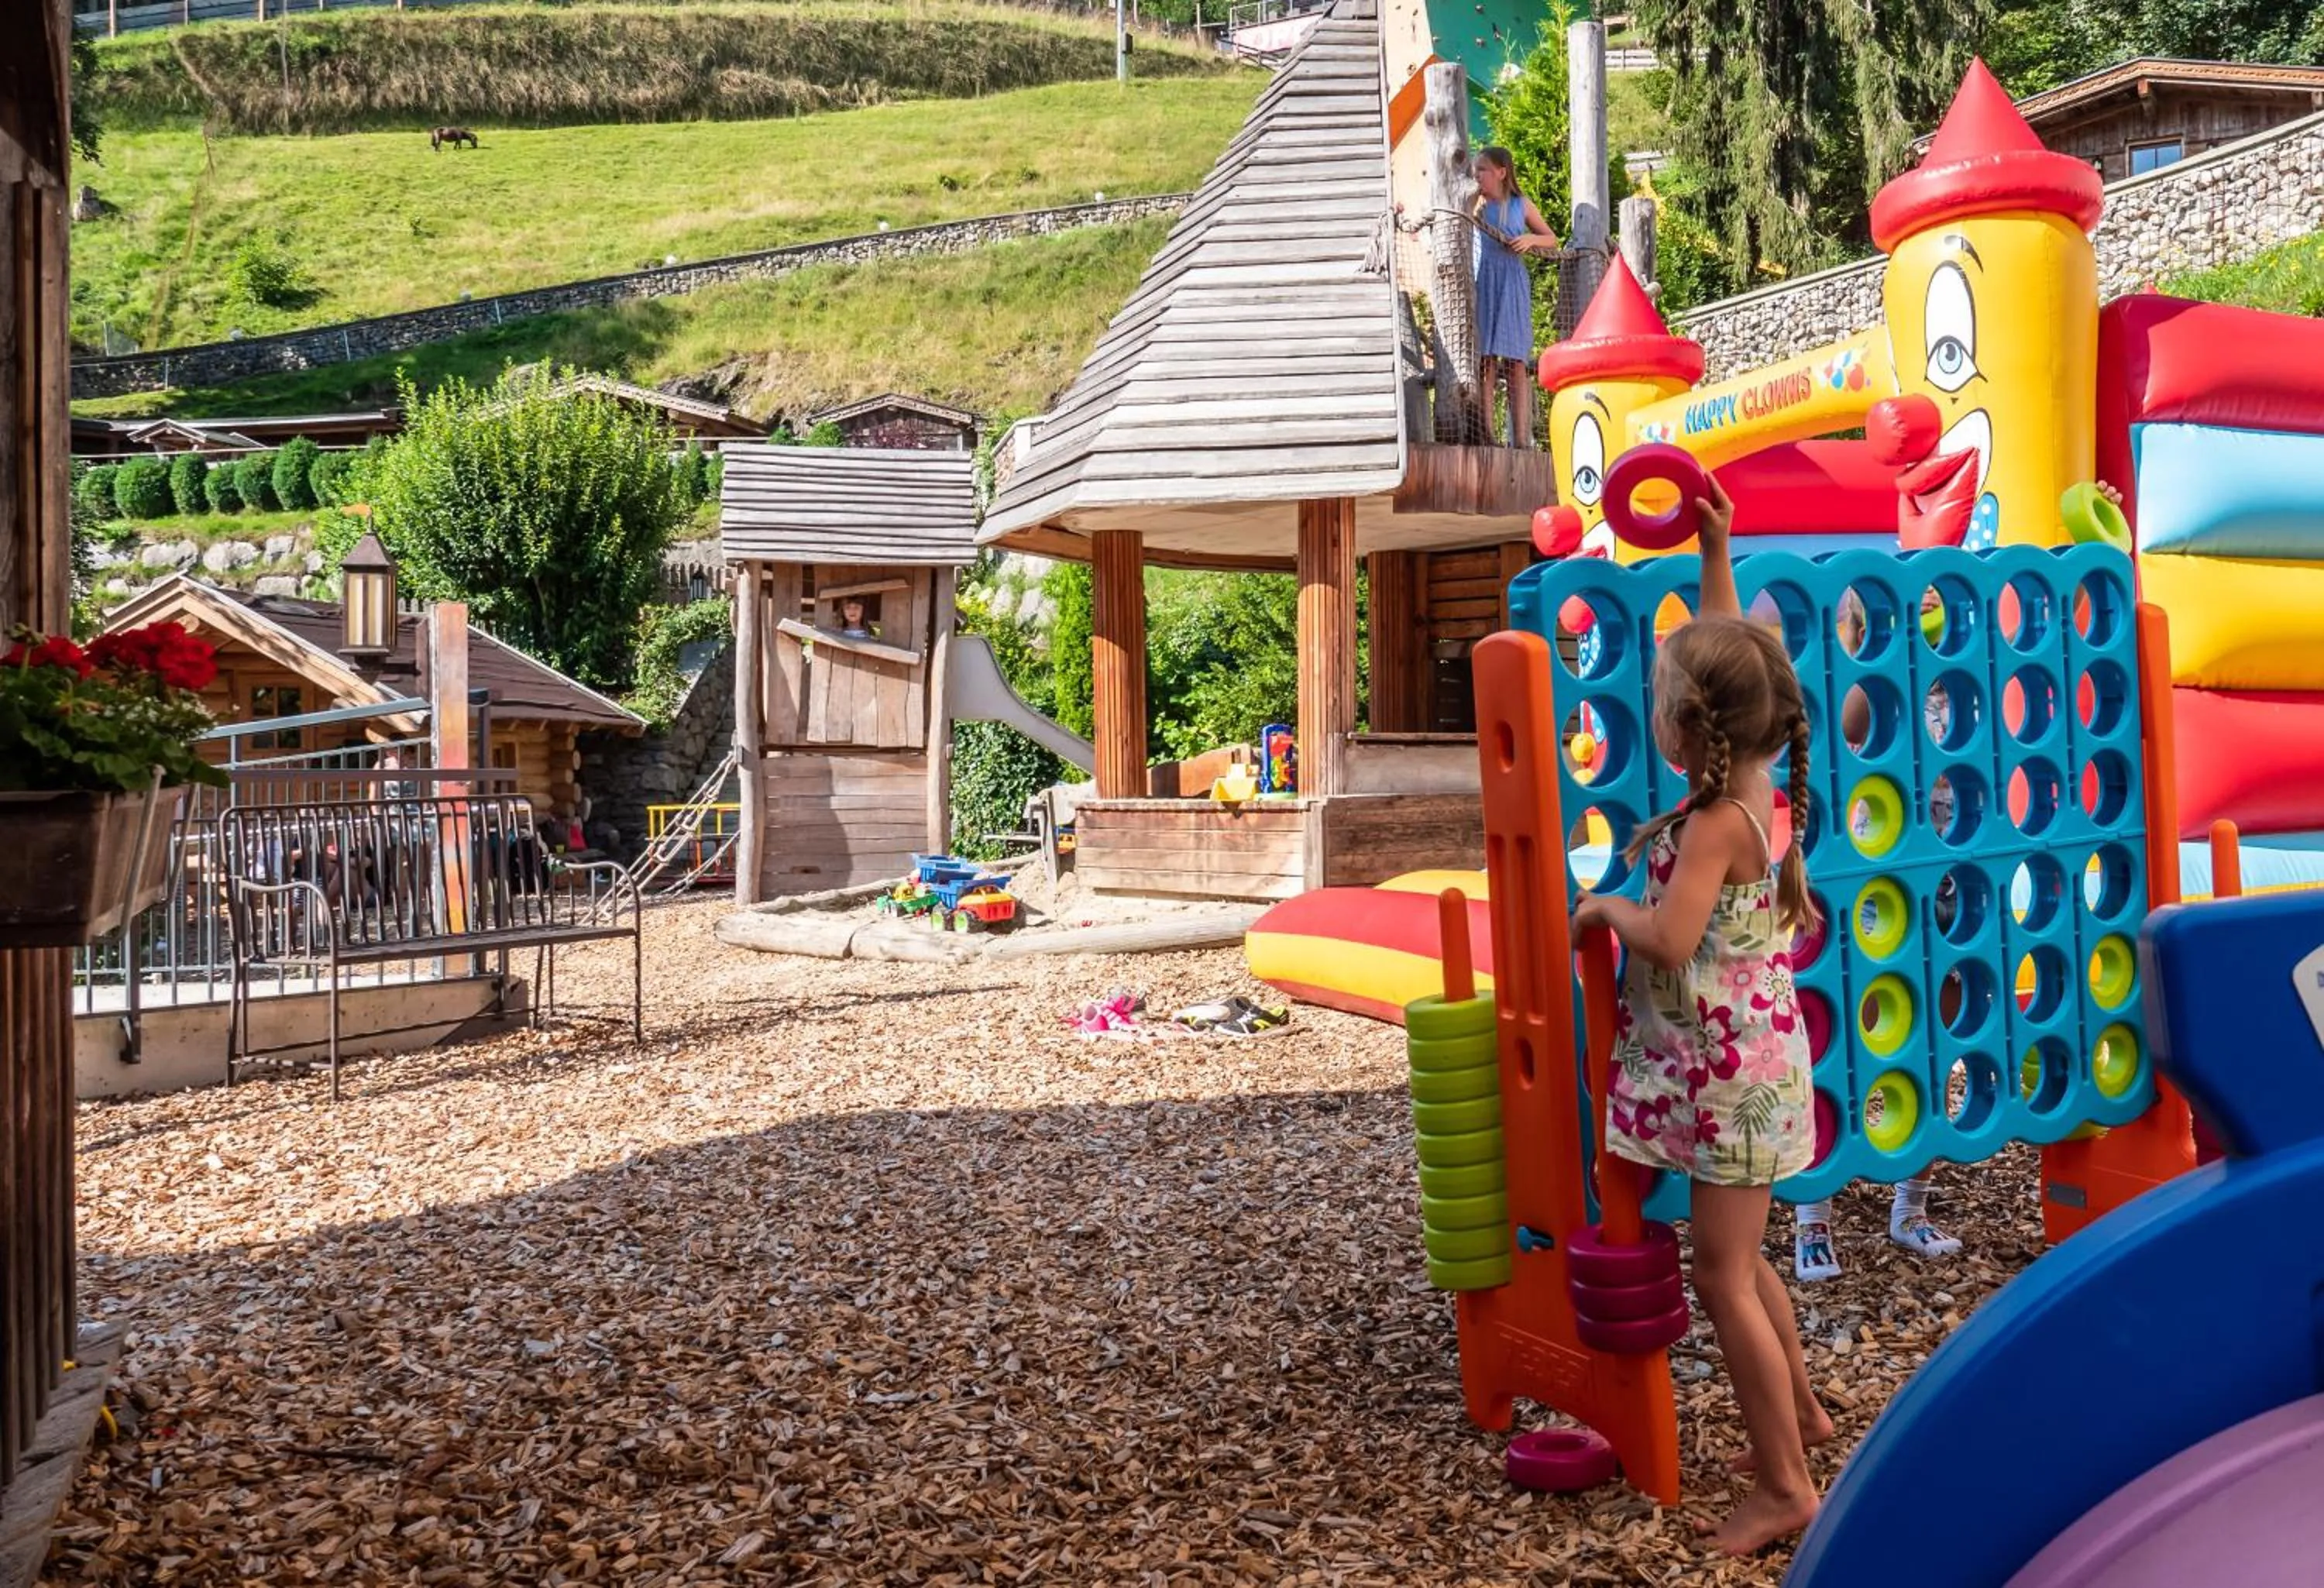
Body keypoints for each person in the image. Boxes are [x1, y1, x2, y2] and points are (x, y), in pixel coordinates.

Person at [1573, 476, 1826, 1555]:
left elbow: (1671, 939)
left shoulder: (1720, 820)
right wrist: (1714, 545)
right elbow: (1732, 658)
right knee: (1747, 1252)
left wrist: (1603, 907)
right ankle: (1805, 1417)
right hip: (1759, 1069)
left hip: (1729, 1083)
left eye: (1666, 690)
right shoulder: (1758, 775)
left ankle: (1787, 1485)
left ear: (1686, 729)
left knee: (1722, 1272)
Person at [1800, 590, 1965, 1280]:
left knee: (1936, 1045)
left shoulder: (1959, 683)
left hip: (1952, 883)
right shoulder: (1875, 681)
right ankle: (1813, 1219)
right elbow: (1846, 729)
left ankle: (1911, 1208)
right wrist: (1877, 637)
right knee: (1842, 1042)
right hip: (1875, 889)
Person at [1470, 147, 1559, 449]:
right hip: (1487, 282)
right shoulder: (1478, 207)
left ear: (1501, 172)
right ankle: (1487, 434)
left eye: (1482, 170)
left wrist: (1530, 239)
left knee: (1516, 362)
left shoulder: (1521, 205)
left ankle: (1521, 439)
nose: (1477, 176)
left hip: (1513, 283)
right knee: (1486, 361)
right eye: (1475, 170)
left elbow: (1551, 238)